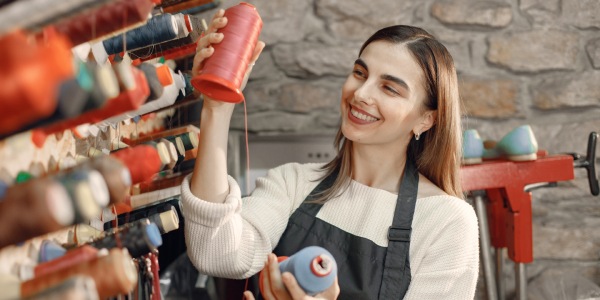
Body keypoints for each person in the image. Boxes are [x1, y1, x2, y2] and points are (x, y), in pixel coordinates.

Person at [182, 8, 479, 300]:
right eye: (360, 73)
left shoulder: (446, 222)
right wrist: (216, 108)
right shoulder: (293, 184)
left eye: (389, 88)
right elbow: (215, 252)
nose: (361, 94)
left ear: (426, 119)